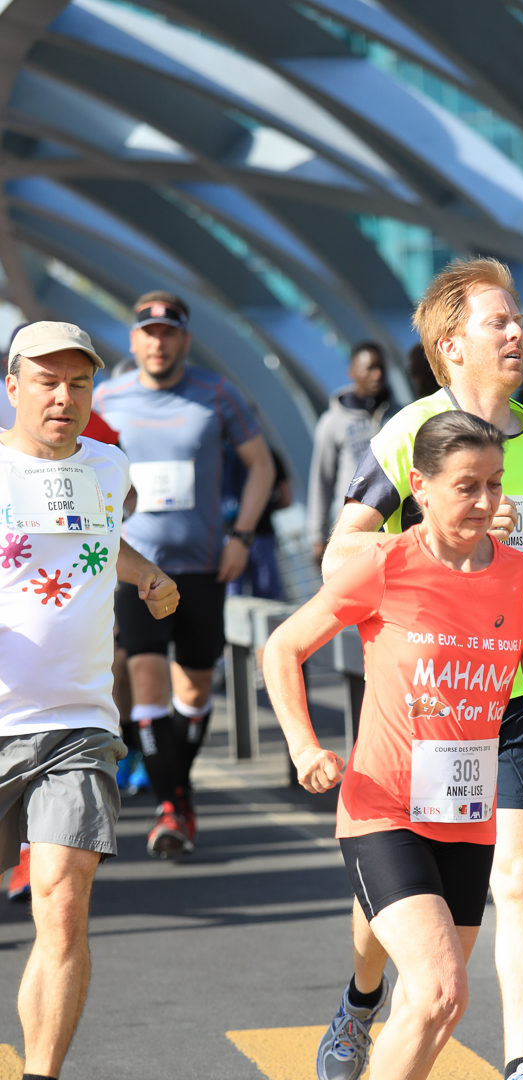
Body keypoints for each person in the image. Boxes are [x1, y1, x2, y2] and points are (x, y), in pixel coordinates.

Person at [264, 410, 523, 1080]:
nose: (486, 503)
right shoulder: (383, 565)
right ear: (421, 488)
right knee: (442, 989)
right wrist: (303, 746)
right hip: (381, 809)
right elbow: (282, 648)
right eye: (466, 487)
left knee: (431, 1006)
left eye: (495, 486)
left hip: (465, 816)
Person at [319, 256, 523, 1080]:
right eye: (497, 322)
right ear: (450, 345)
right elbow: (340, 553)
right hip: (431, 704)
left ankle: (521, 1072)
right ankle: (362, 996)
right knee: (403, 897)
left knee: (522, 876)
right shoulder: (410, 433)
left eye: (519, 319)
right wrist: (443, 528)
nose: (517, 333)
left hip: (513, 693)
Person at [1, 320, 178, 1080]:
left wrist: (145, 573)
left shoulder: (108, 467)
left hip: (77, 722)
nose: (62, 397)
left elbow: (102, 541)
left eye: (77, 382)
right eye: (46, 381)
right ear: (12, 387)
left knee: (63, 904)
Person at [93, 291, 275, 859]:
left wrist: (242, 535)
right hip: (136, 567)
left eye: (169, 333)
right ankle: (171, 806)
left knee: (193, 691)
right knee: (146, 677)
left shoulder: (217, 394)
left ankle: (178, 791)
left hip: (203, 567)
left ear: (185, 340)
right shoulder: (107, 398)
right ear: (133, 341)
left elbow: (262, 465)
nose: (158, 343)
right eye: (148, 333)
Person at [307, 343, 399, 567]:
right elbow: (322, 481)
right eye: (370, 368)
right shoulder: (332, 423)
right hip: (354, 530)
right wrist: (317, 536)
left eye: (381, 368)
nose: (377, 375)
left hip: (395, 529)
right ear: (353, 372)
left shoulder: (400, 415)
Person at [225, 447, 292, 603]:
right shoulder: (269, 455)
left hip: (228, 536)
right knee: (269, 598)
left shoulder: (220, 454)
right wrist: (261, 507)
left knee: (232, 598)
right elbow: (286, 499)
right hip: (262, 535)